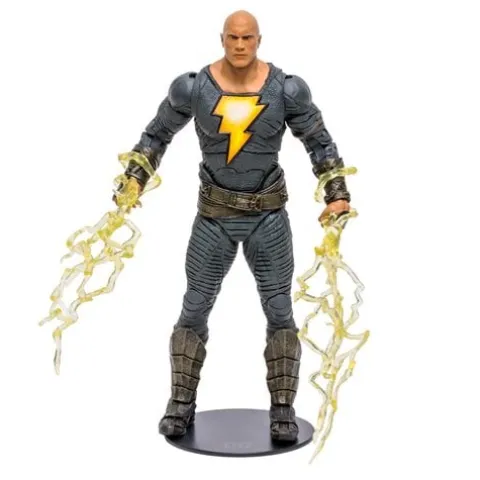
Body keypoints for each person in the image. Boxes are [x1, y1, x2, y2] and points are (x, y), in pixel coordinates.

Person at [115, 10, 351, 443]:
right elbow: (156, 135)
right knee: (195, 306)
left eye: (247, 38)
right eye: (233, 38)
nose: (240, 45)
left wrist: (336, 191)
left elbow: (318, 140)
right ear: (222, 39)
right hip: (214, 217)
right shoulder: (193, 88)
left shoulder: (286, 90)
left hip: (268, 218)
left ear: (259, 40)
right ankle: (180, 403)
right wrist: (134, 178)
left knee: (279, 309)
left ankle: (283, 409)